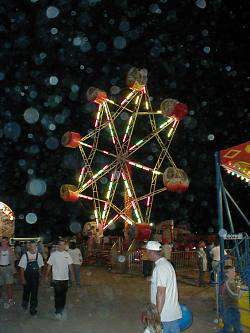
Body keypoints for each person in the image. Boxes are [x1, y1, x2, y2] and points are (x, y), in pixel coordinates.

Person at [146, 241, 182, 333]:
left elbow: (161, 293)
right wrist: (153, 278)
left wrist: (157, 315)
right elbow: (164, 280)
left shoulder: (160, 268)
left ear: (152, 252)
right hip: (171, 313)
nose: (146, 254)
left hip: (164, 315)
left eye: (147, 251)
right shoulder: (166, 264)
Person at [45, 239, 75, 319]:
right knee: (58, 295)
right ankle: (58, 311)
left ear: (65, 246)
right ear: (58, 246)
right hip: (56, 279)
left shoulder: (67, 254)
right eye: (60, 245)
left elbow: (70, 265)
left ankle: (62, 308)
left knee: (64, 295)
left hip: (65, 278)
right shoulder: (53, 254)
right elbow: (49, 266)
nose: (62, 246)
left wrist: (73, 276)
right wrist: (46, 276)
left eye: (63, 245)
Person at [18, 241, 44, 315]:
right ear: (29, 247)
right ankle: (24, 304)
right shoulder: (25, 255)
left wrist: (40, 277)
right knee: (26, 292)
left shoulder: (39, 255)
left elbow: (40, 267)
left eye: (35, 246)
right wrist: (23, 279)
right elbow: (22, 269)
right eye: (32, 246)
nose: (34, 248)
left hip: (35, 277)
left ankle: (33, 309)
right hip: (27, 276)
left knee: (34, 293)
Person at [221, 266, 243, 333]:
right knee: (228, 326)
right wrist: (240, 291)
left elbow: (236, 292)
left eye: (234, 271)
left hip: (234, 306)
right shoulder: (227, 283)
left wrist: (238, 286)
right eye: (232, 272)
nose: (235, 273)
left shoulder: (232, 281)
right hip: (228, 308)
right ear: (227, 274)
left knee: (237, 324)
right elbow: (236, 296)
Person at [0, 237, 15, 304]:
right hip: (0, 268)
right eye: (2, 241)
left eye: (4, 241)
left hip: (8, 268)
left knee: (9, 284)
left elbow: (13, 260)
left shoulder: (10, 250)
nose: (3, 242)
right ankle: (0, 298)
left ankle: (10, 299)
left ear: (7, 242)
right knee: (0, 285)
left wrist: (13, 269)